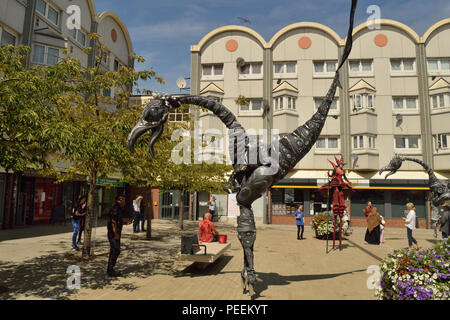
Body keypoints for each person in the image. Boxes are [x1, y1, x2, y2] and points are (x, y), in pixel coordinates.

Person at [107, 195, 132, 277]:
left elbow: (118, 221)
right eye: (122, 200)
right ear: (118, 201)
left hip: (116, 233)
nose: (124, 201)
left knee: (113, 250)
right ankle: (110, 270)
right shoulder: (115, 209)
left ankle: (110, 269)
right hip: (113, 234)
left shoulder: (119, 209)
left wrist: (125, 223)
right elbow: (113, 222)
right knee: (116, 250)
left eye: (124, 200)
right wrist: (115, 234)